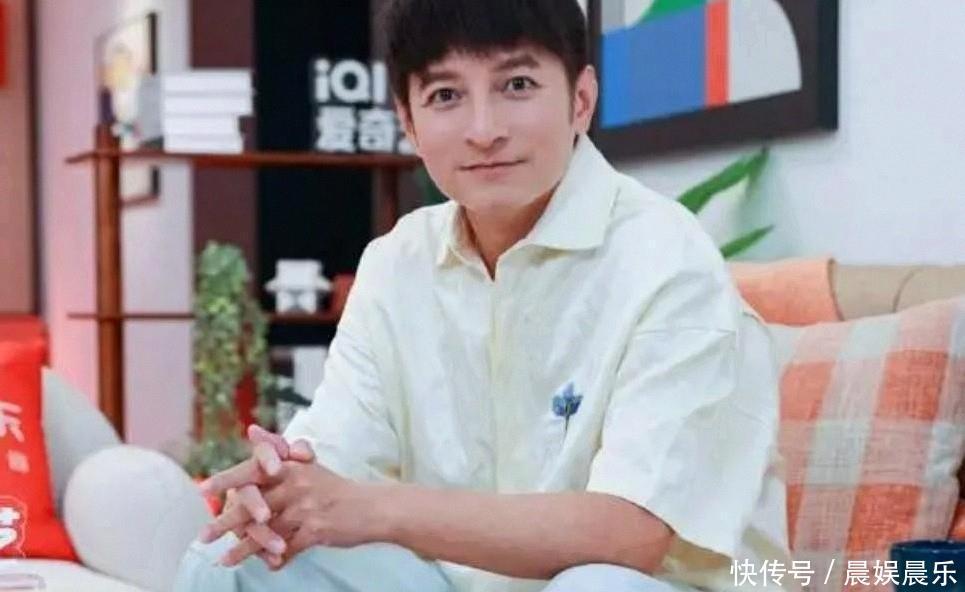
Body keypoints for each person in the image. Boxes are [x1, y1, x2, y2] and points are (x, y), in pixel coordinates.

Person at [174, 0, 791, 590]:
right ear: (408, 123)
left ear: (581, 100)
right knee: (230, 562)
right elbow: (334, 462)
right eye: (446, 95)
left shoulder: (667, 258)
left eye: (517, 85)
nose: (484, 131)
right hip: (453, 580)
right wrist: (280, 490)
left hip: (647, 582)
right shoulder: (396, 262)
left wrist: (379, 509)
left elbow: (631, 534)